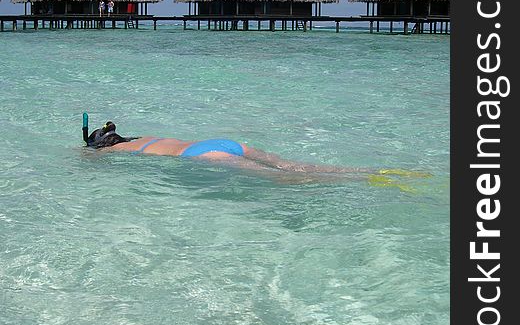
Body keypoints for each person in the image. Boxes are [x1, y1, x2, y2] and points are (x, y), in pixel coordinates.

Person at [86, 121, 376, 176]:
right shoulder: (144, 136)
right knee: (290, 165)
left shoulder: (116, 151)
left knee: (285, 179)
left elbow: (90, 157)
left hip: (203, 155)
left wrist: (87, 150)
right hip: (220, 143)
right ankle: (362, 171)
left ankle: (360, 180)